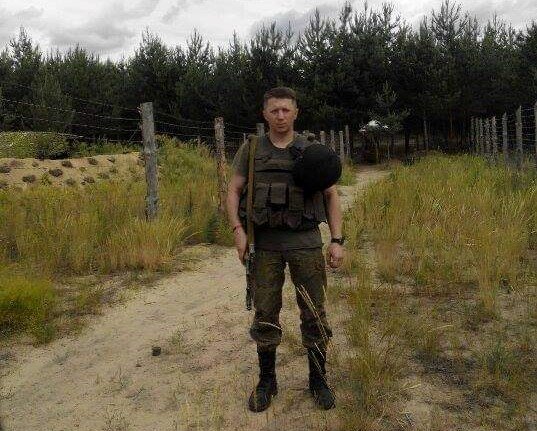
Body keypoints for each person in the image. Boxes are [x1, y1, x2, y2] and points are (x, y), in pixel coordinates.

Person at [226, 87, 345, 412]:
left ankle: (318, 379)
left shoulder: (311, 150)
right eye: (274, 110)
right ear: (265, 114)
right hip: (265, 246)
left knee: (314, 311)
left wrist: (337, 240)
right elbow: (234, 190)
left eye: (286, 110)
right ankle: (267, 381)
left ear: (296, 113)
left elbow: (331, 195)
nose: (280, 116)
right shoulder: (251, 149)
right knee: (265, 313)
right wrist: (238, 230)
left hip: (306, 243)